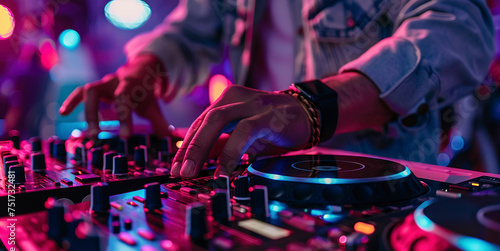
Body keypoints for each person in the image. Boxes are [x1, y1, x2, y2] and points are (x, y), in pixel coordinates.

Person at [59, 0, 495, 179]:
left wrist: (314, 107)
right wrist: (144, 70)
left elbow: (459, 31)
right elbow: (191, 32)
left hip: (371, 195)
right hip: (252, 180)